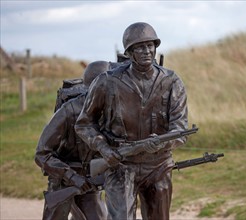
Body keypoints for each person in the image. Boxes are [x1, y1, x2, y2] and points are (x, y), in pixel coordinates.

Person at [75, 22, 189, 220]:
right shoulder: (107, 81)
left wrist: (164, 142)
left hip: (158, 165)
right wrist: (104, 148)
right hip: (121, 164)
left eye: (150, 45)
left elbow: (180, 127)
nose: (147, 51)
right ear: (129, 52)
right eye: (140, 47)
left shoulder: (171, 81)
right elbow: (84, 124)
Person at [35, 61, 112, 220]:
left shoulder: (113, 111)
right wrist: (72, 177)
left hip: (90, 183)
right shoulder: (68, 111)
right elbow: (42, 154)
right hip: (63, 181)